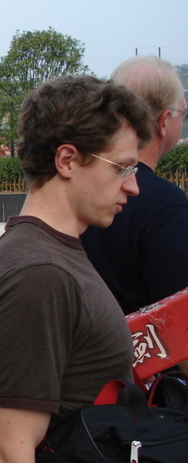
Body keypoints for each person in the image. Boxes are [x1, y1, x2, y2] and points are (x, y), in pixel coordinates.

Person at [0, 76, 153, 463]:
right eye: (122, 169)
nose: (133, 187)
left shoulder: (57, 250)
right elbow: (10, 454)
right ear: (68, 159)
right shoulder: (37, 272)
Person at [81, 56, 188, 316]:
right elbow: (179, 329)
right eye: (182, 114)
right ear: (163, 121)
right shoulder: (166, 206)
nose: (129, 187)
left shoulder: (78, 189)